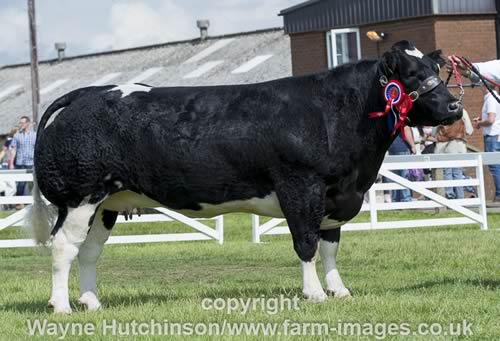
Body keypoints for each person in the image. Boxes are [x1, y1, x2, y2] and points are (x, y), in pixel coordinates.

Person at [433, 109, 474, 199]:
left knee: (446, 172)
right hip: (458, 146)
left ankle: (449, 196)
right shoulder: (462, 111)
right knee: (458, 173)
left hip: (443, 148)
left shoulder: (439, 110)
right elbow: (469, 131)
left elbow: (433, 132)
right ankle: (460, 197)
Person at [474, 83, 500, 202]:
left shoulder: (490, 98)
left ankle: (499, 194)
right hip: (496, 134)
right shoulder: (496, 97)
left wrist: (479, 124)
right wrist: (480, 119)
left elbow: (491, 119)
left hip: (492, 135)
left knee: (494, 166)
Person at [9, 116, 36, 202]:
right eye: (20, 123)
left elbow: (37, 149)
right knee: (20, 183)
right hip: (20, 163)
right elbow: (13, 149)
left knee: (32, 183)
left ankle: (33, 202)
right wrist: (11, 163)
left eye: (22, 123)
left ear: (27, 124)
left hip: (31, 163)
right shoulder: (17, 135)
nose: (20, 125)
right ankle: (19, 202)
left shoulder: (34, 135)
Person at [387, 126, 417, 202]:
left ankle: (395, 199)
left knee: (395, 176)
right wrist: (413, 145)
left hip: (392, 148)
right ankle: (405, 199)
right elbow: (406, 129)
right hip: (402, 147)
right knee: (404, 175)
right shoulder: (403, 117)